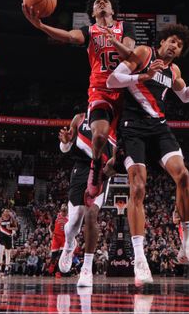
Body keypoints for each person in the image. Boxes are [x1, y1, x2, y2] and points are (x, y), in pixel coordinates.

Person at [105, 24, 189, 285]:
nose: (174, 46)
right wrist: (143, 76)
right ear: (161, 42)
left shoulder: (174, 71)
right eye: (171, 41)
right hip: (133, 128)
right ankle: (139, 259)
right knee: (137, 188)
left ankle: (188, 247)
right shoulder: (144, 53)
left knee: (183, 176)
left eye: (179, 45)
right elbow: (112, 80)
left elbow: (185, 97)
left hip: (158, 128)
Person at [23, 0, 135, 206]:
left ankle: (104, 171)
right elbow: (68, 36)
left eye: (106, 2)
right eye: (97, 3)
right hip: (100, 90)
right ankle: (95, 166)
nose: (101, 3)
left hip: (125, 92)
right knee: (99, 137)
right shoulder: (89, 31)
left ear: (112, 10)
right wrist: (41, 26)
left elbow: (129, 52)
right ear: (92, 13)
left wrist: (115, 42)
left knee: (120, 159)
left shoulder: (125, 27)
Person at [57, 112, 116, 287]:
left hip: (101, 170)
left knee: (91, 216)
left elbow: (116, 154)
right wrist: (65, 142)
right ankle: (69, 244)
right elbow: (65, 149)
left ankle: (87, 268)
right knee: (74, 222)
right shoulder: (79, 119)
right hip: (81, 169)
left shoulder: (113, 122)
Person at [0, 208, 17, 276]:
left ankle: (6, 269)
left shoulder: (12, 219)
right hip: (2, 237)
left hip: (9, 237)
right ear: (3, 212)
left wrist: (10, 228)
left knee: (8, 254)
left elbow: (16, 228)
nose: (7, 212)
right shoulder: (0, 219)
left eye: (8, 211)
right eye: (5, 211)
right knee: (0, 252)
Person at [49, 205, 68, 276]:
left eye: (65, 211)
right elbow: (50, 226)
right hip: (56, 237)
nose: (64, 213)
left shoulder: (69, 217)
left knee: (61, 256)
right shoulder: (56, 216)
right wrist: (51, 233)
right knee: (54, 255)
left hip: (64, 238)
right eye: (62, 211)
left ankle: (58, 271)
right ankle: (52, 265)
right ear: (60, 210)